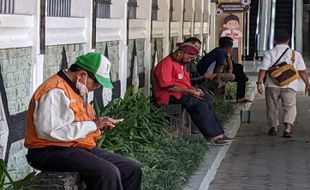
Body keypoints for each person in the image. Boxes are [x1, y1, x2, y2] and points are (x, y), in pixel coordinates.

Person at [24, 52, 142, 190]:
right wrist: (94, 124)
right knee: (107, 173)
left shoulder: (75, 89)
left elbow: (78, 124)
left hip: (72, 146)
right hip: (47, 151)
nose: (96, 87)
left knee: (131, 169)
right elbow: (51, 132)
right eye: (96, 83)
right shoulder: (55, 91)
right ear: (81, 75)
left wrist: (97, 127)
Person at [153, 43, 233, 145]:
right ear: (180, 53)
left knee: (206, 101)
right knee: (199, 105)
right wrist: (190, 91)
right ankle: (212, 136)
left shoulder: (181, 64)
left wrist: (194, 89)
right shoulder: (166, 64)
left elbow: (186, 82)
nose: (190, 60)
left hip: (181, 93)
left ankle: (219, 134)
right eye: (189, 57)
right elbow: (167, 86)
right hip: (168, 96)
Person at [256, 32, 310, 137]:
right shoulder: (295, 54)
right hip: (290, 85)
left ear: (274, 41)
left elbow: (263, 69)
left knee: (272, 106)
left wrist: (259, 82)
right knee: (290, 106)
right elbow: (302, 71)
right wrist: (307, 84)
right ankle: (288, 129)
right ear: (288, 41)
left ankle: (273, 127)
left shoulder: (269, 53)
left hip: (272, 84)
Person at [195, 37, 250, 103]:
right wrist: (217, 79)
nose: (232, 49)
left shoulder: (220, 50)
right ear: (228, 48)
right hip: (207, 75)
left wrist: (230, 68)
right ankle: (232, 97)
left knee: (238, 69)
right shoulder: (220, 52)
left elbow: (229, 63)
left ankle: (235, 97)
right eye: (231, 47)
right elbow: (219, 67)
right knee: (232, 76)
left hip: (210, 73)